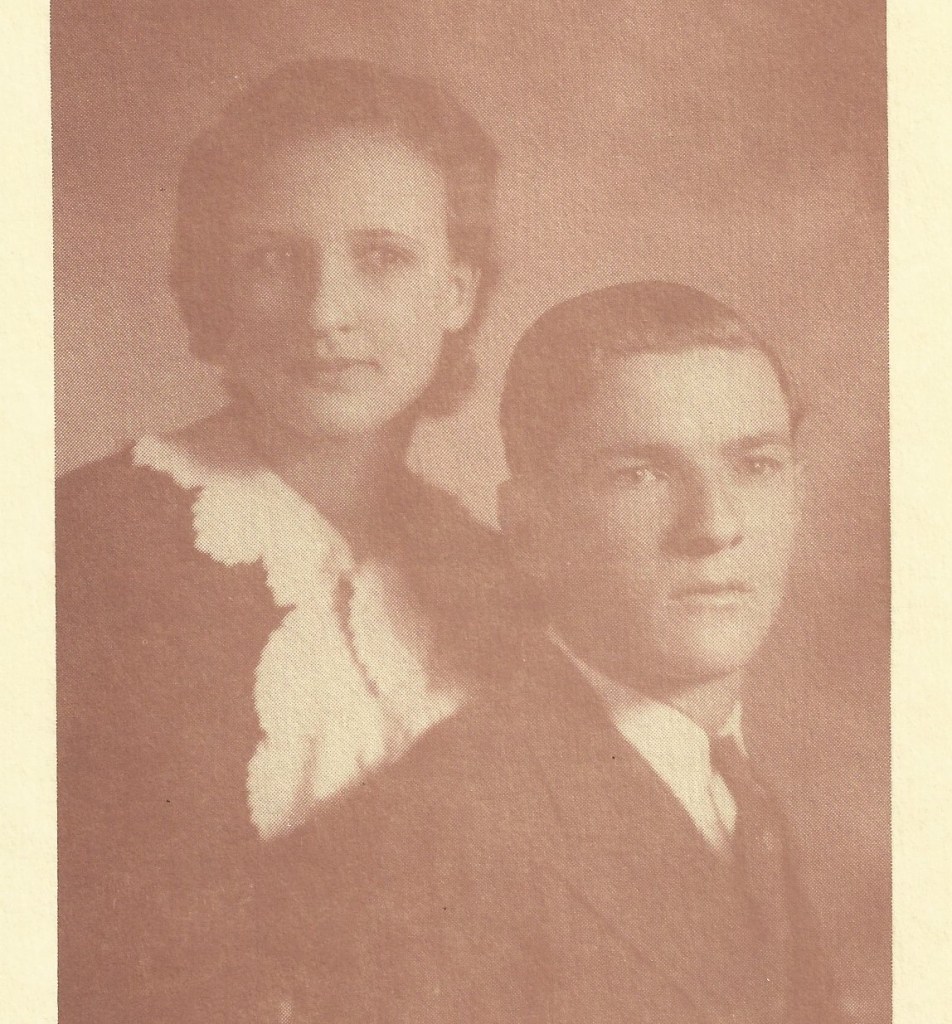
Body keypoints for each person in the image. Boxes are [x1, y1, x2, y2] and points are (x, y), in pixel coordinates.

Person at [56, 57, 517, 1023]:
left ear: (458, 291)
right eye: (273, 260)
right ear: (215, 289)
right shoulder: (79, 549)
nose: (325, 313)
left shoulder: (495, 577)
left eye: (381, 257)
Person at [291, 281, 844, 1023]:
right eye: (640, 474)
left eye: (755, 464)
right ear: (528, 528)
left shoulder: (753, 796)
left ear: (797, 491)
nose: (716, 525)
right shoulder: (432, 836)